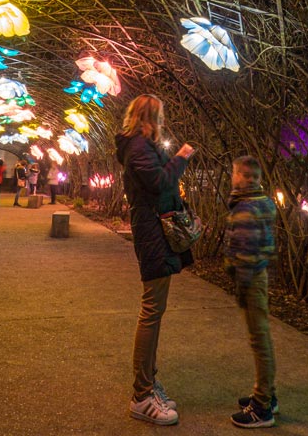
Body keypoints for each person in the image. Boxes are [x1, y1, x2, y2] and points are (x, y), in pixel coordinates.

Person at [115, 93, 195, 426]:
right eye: (159, 117)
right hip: (153, 236)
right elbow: (161, 182)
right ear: (148, 118)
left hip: (154, 233)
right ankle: (142, 395)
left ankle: (148, 383)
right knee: (151, 312)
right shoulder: (137, 148)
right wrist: (181, 157)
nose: (162, 123)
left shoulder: (141, 147)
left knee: (155, 312)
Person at [224, 155, 277, 429]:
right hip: (262, 274)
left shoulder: (245, 208)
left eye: (234, 173)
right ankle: (267, 392)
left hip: (251, 278)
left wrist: (240, 284)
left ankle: (261, 406)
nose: (232, 177)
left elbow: (244, 251)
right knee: (262, 337)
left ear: (244, 178)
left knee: (259, 340)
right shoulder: (264, 202)